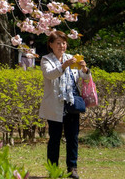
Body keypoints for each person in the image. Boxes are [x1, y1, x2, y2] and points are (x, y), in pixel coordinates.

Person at [40, 30, 87, 179]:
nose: (62, 46)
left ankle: (72, 169)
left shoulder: (71, 58)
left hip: (71, 104)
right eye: (58, 43)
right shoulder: (46, 59)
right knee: (54, 139)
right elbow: (50, 74)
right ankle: (53, 170)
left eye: (64, 43)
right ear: (51, 45)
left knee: (73, 138)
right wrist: (64, 65)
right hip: (55, 105)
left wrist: (85, 69)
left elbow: (83, 77)